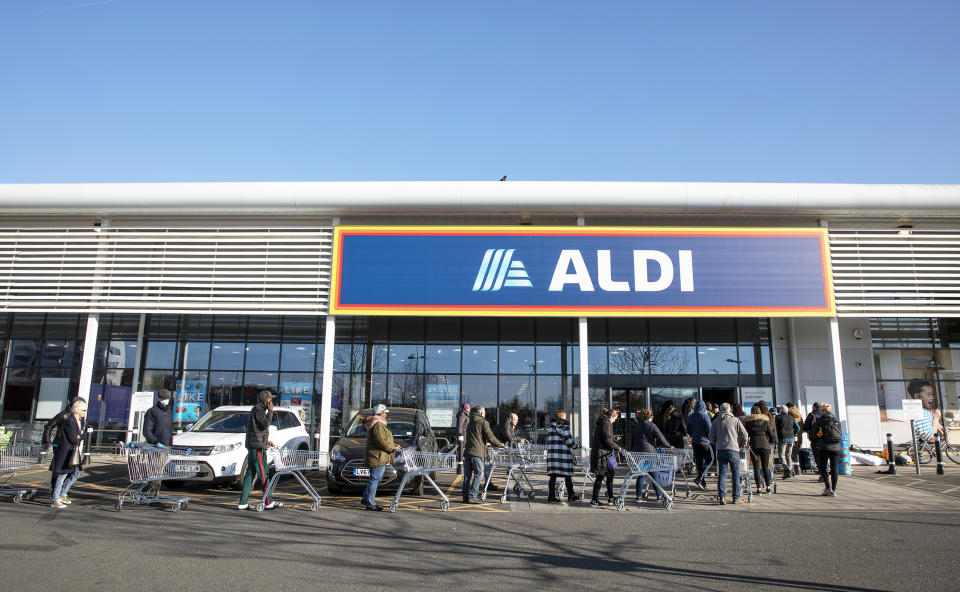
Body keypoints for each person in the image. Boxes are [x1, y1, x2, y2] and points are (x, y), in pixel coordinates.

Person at [238, 390, 283, 511]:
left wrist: (265, 441)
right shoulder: (259, 409)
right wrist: (271, 411)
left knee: (250, 473)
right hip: (256, 447)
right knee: (263, 472)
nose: (272, 401)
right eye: (270, 399)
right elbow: (265, 424)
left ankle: (243, 502)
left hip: (256, 444)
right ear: (266, 401)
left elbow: (258, 429)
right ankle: (269, 501)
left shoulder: (258, 409)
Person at [361, 404, 402, 511]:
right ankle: (370, 503)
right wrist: (392, 447)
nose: (386, 415)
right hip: (377, 456)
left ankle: (366, 498)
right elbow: (381, 441)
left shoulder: (378, 423)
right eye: (385, 413)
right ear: (381, 413)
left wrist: (394, 445)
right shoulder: (378, 424)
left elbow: (383, 440)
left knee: (376, 479)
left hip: (378, 456)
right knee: (375, 479)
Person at [42, 394, 83, 497]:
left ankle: (60, 491)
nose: (85, 411)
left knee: (73, 470)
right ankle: (55, 491)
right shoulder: (64, 415)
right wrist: (47, 441)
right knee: (60, 469)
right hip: (61, 445)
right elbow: (49, 426)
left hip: (72, 446)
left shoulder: (79, 417)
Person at [48, 398, 86, 509]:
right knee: (62, 474)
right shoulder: (70, 421)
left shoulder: (78, 420)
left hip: (72, 451)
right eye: (84, 410)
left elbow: (77, 437)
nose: (85, 412)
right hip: (65, 451)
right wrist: (83, 436)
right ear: (78, 410)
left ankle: (62, 493)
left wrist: (79, 437)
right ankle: (56, 498)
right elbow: (74, 439)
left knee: (76, 472)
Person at [462, 405, 504, 504]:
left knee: (467, 476)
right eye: (484, 413)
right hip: (477, 453)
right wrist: (499, 444)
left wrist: (484, 442)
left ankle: (465, 497)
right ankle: (472, 495)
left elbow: (476, 437)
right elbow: (490, 436)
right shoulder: (483, 422)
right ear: (481, 413)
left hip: (468, 452)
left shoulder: (470, 422)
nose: (485, 415)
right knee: (479, 474)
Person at [709, 402, 748, 505]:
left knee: (722, 473)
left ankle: (722, 496)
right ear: (729, 410)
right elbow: (744, 435)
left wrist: (716, 443)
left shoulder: (716, 422)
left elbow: (711, 436)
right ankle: (735, 497)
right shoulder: (735, 420)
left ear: (720, 410)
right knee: (735, 474)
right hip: (733, 449)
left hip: (721, 450)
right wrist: (740, 444)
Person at [630, 408, 672, 500]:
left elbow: (632, 440)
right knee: (654, 474)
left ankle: (639, 496)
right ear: (651, 417)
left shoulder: (637, 426)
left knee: (642, 474)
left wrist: (633, 450)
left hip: (638, 453)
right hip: (649, 452)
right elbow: (660, 437)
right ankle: (659, 495)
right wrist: (668, 445)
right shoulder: (652, 426)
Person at [546, 409, 582, 503]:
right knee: (568, 476)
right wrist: (576, 446)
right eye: (565, 417)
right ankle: (571, 495)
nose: (566, 418)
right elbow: (570, 442)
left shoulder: (550, 427)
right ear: (562, 417)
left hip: (552, 455)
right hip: (563, 455)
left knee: (553, 476)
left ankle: (551, 496)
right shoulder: (564, 427)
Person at [589, 408, 622, 507]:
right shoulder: (607, 423)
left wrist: (614, 438)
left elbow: (606, 437)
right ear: (612, 416)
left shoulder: (602, 422)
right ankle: (595, 500)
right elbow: (607, 441)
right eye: (615, 418)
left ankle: (610, 498)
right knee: (601, 477)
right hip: (603, 455)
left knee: (608, 476)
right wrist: (618, 447)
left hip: (602, 454)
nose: (615, 420)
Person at [743, 404, 777, 495]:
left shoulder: (748, 423)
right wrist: (773, 443)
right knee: (765, 467)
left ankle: (758, 488)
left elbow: (745, 435)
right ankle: (768, 487)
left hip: (754, 447)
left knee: (756, 468)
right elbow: (771, 435)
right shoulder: (765, 422)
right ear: (760, 412)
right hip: (765, 446)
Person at [814, 403, 843, 497]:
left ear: (823, 411)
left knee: (823, 468)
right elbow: (840, 433)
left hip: (824, 447)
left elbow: (815, 433)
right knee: (834, 468)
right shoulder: (836, 420)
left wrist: (818, 441)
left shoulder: (820, 420)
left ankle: (827, 487)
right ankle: (834, 490)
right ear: (830, 410)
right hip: (836, 447)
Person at [686, 399, 713, 489]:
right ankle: (699, 478)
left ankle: (702, 482)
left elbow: (688, 431)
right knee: (710, 459)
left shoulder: (690, 416)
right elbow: (710, 430)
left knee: (699, 462)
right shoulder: (705, 417)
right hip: (705, 442)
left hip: (695, 442)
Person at [775, 405, 800, 479]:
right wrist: (793, 433)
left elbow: (776, 427)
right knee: (788, 455)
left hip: (782, 438)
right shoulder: (792, 417)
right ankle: (790, 470)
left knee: (781, 454)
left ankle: (787, 469)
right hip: (791, 438)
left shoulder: (778, 417)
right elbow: (797, 428)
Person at [804, 402, 824, 479]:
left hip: (815, 440)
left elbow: (805, 427)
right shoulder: (824, 414)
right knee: (824, 457)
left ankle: (822, 475)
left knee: (818, 457)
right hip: (825, 440)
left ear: (814, 407)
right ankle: (824, 473)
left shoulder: (811, 415)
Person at [787, 402, 804, 468]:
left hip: (791, 437)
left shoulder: (789, 413)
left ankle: (792, 468)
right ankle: (798, 468)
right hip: (799, 436)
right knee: (797, 453)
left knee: (790, 454)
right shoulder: (799, 413)